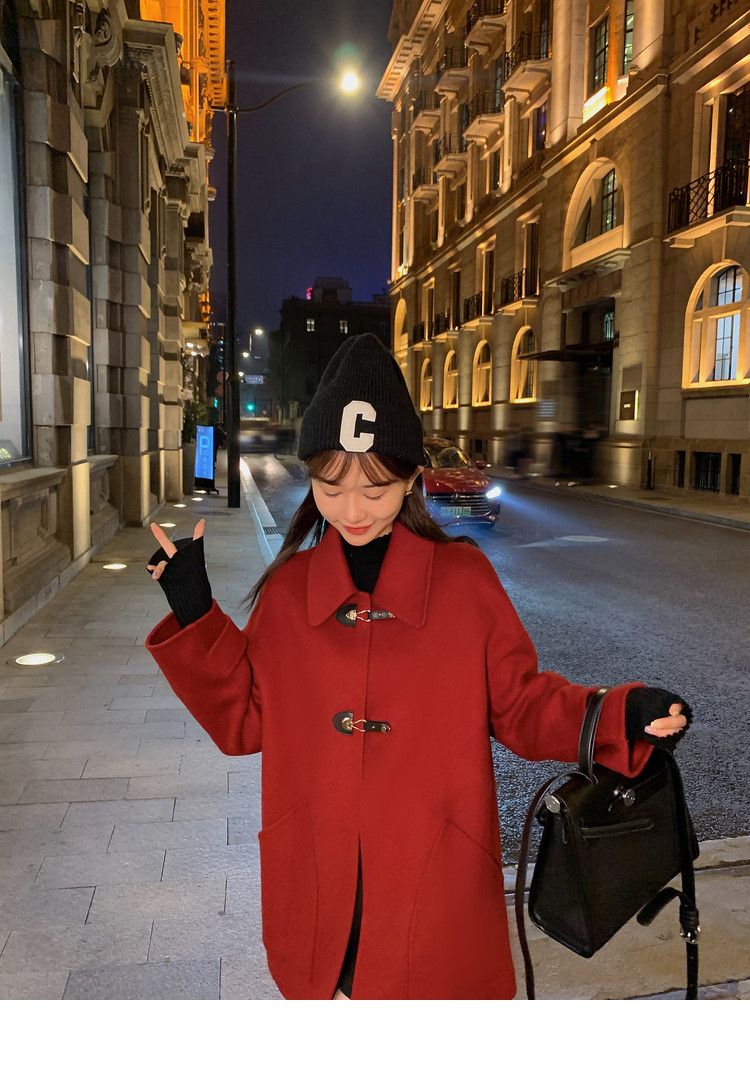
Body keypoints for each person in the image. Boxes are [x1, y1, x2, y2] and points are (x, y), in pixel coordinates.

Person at [145, 334, 690, 1000]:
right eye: (330, 487)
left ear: (409, 480)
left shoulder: (463, 582)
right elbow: (246, 722)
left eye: (374, 489)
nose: (351, 510)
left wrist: (617, 713)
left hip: (436, 880)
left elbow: (520, 704)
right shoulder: (289, 592)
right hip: (317, 881)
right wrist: (196, 613)